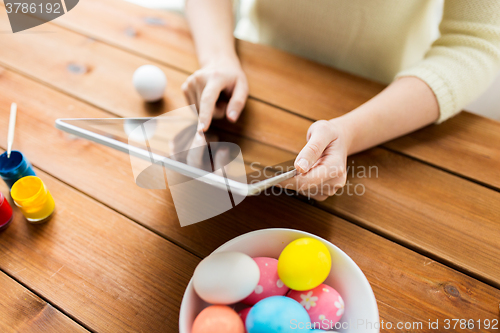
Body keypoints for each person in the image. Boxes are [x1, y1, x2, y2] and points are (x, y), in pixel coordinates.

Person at [181, 0, 500, 201]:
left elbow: (474, 43)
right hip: (258, 77)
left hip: (388, 107)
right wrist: (218, 58)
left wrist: (350, 132)